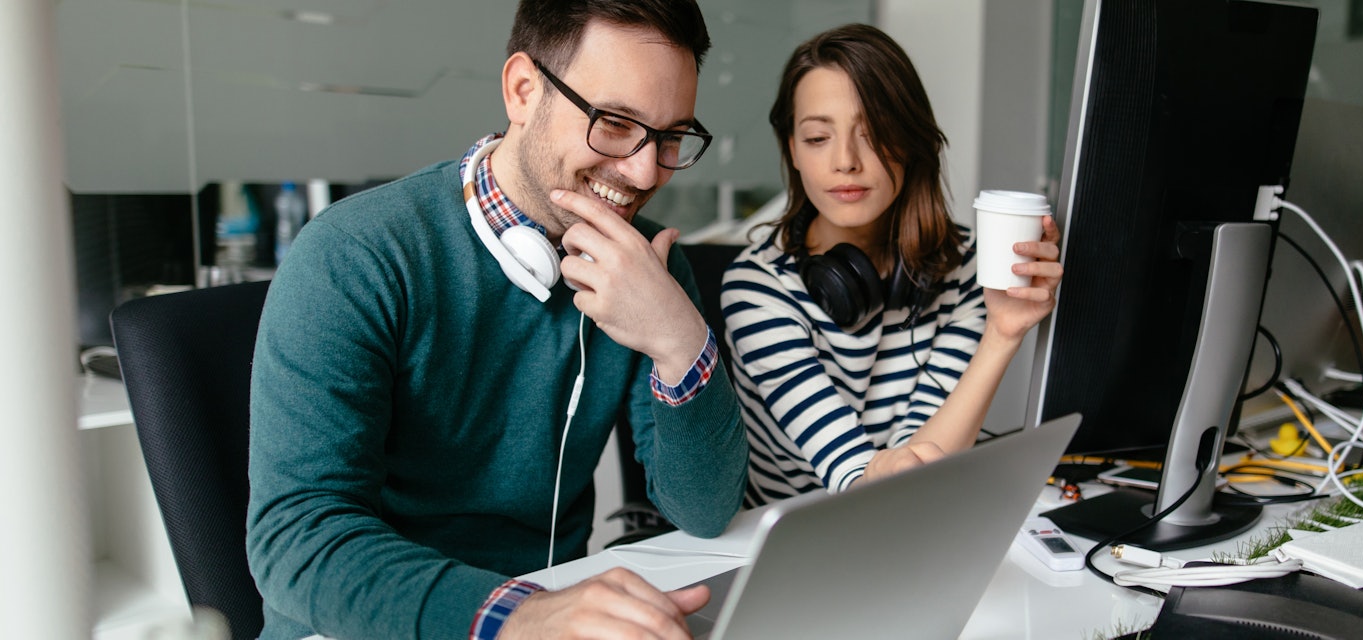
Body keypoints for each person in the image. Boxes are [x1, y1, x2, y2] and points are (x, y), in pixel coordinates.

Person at [245, 2, 748, 639]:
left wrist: (681, 341)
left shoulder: (646, 267)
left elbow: (704, 511)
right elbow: (297, 540)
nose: (646, 171)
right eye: (616, 123)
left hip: (553, 616)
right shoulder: (354, 256)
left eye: (671, 136)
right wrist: (519, 616)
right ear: (522, 90)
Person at [721, 24, 1063, 506]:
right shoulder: (755, 288)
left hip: (909, 525)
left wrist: (1003, 333)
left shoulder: (967, 267)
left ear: (910, 141)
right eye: (818, 137)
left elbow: (920, 468)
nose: (845, 161)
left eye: (874, 133)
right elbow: (864, 485)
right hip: (792, 541)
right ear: (792, 151)